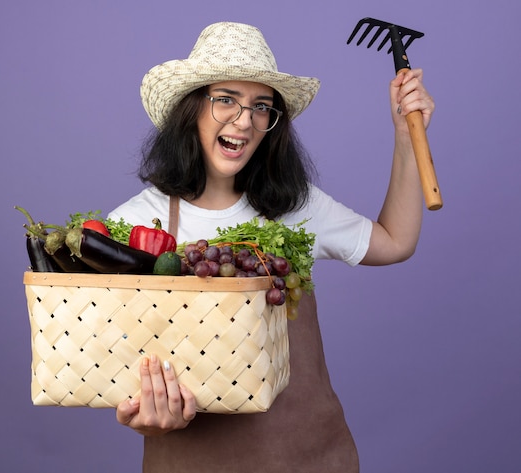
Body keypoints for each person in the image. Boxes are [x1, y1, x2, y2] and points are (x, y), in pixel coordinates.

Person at [107, 21, 434, 472]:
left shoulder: (294, 205)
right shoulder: (135, 225)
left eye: (261, 106)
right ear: (191, 108)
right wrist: (149, 420)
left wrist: (404, 138)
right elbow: (121, 375)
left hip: (309, 458)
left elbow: (395, 242)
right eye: (226, 99)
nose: (244, 120)